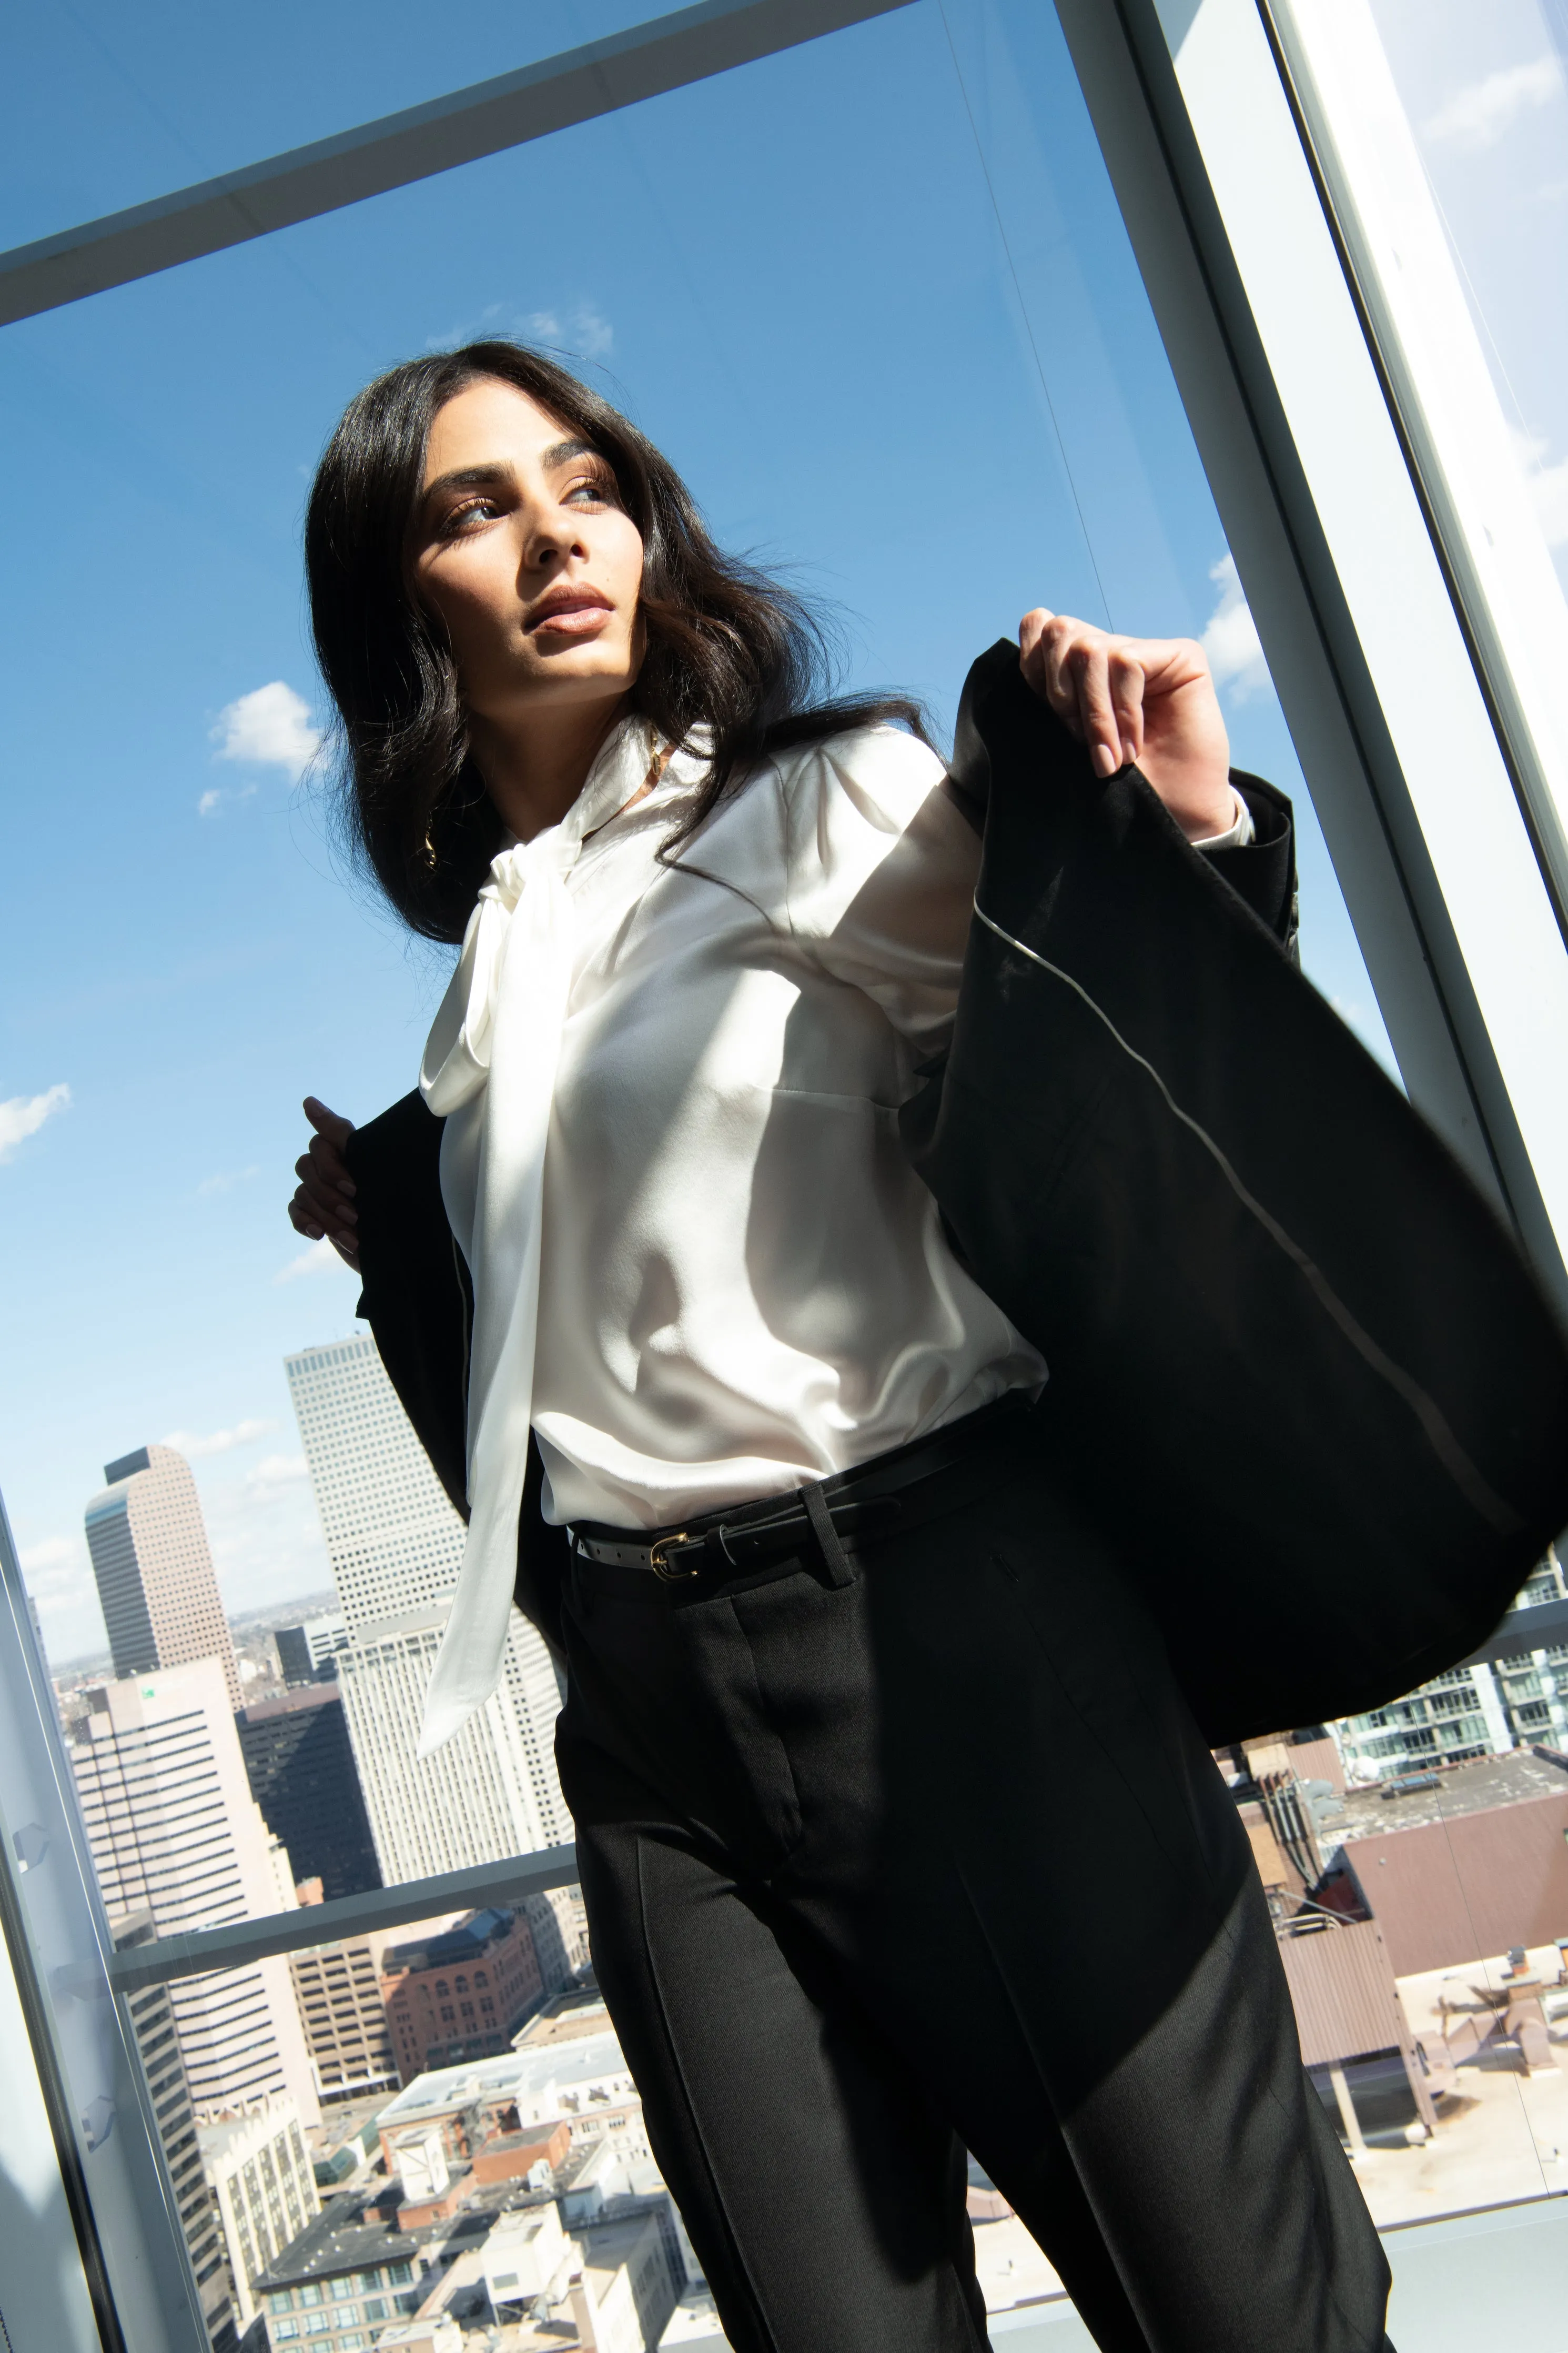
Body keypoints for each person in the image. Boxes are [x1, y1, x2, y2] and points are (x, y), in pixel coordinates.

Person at [287, 341, 1419, 2351]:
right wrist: (409, 1243)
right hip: (650, 1738)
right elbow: (582, 1371)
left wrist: (1193, 841)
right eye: (473, 507)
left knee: (1250, 2322)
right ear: (398, 612)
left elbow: (1133, 1124)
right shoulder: (494, 976)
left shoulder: (816, 804)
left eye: (586, 483)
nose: (556, 532)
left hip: (954, 1647)